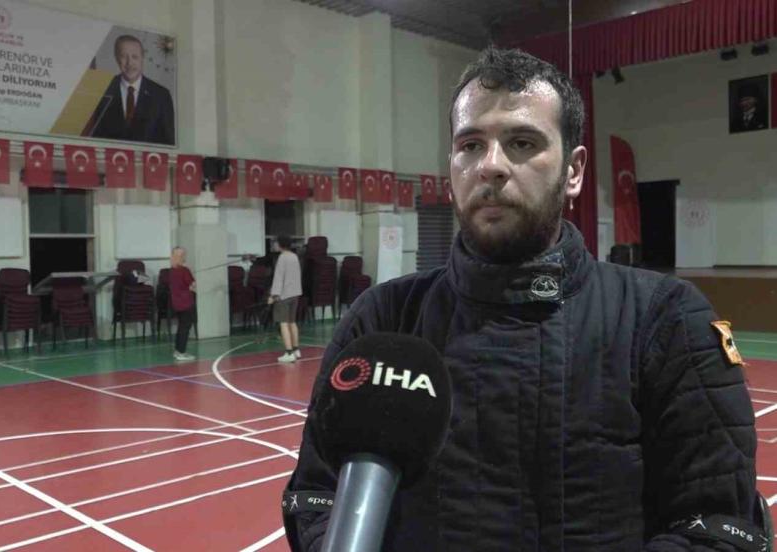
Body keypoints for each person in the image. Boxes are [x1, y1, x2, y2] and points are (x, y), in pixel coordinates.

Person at [284, 48, 759, 551]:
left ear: (573, 171)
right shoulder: (381, 321)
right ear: (451, 167)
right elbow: (317, 497)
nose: (491, 166)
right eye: (471, 145)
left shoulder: (666, 319)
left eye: (522, 142)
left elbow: (719, 526)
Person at [88, 34, 175, 145]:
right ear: (116, 58)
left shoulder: (161, 95)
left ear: (142, 58)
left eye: (135, 57)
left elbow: (169, 142)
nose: (129, 63)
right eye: (123, 56)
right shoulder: (101, 90)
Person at [268, 235, 302, 363]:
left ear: (280, 244)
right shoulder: (294, 256)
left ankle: (289, 352)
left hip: (284, 296)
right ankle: (296, 350)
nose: (274, 245)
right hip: (295, 294)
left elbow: (278, 278)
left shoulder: (282, 258)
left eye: (276, 242)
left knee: (283, 323)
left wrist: (273, 295)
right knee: (292, 322)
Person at [169, 246, 196, 361]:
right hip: (186, 302)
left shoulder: (171, 271)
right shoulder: (185, 270)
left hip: (176, 302)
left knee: (181, 327)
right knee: (185, 327)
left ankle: (177, 351)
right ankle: (181, 352)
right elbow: (192, 285)